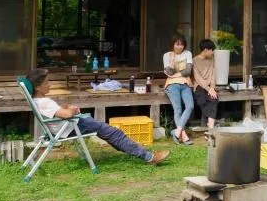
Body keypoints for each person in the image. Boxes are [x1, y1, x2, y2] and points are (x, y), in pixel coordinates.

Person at [27, 68, 170, 165]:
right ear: (38, 87)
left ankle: (142, 154)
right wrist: (73, 110)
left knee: (110, 133)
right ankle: (149, 157)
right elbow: (65, 115)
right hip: (72, 126)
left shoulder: (38, 100)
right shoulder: (44, 101)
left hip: (69, 125)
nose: (50, 85)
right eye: (47, 82)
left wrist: (66, 109)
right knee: (113, 133)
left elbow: (57, 112)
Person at [163, 33, 194, 145]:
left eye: (182, 44)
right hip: (172, 85)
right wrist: (171, 62)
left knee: (190, 106)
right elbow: (169, 72)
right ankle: (183, 135)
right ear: (173, 45)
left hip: (185, 83)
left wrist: (175, 74)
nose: (179, 46)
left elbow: (188, 71)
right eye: (177, 44)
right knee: (178, 109)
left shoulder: (188, 53)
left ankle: (177, 131)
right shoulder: (167, 55)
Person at [192, 39, 218, 131]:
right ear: (206, 50)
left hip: (209, 87)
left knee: (213, 98)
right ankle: (210, 127)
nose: (212, 52)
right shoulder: (194, 60)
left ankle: (210, 128)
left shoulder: (211, 59)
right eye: (211, 50)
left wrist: (212, 88)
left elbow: (213, 75)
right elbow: (197, 78)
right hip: (199, 86)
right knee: (202, 98)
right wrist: (208, 89)